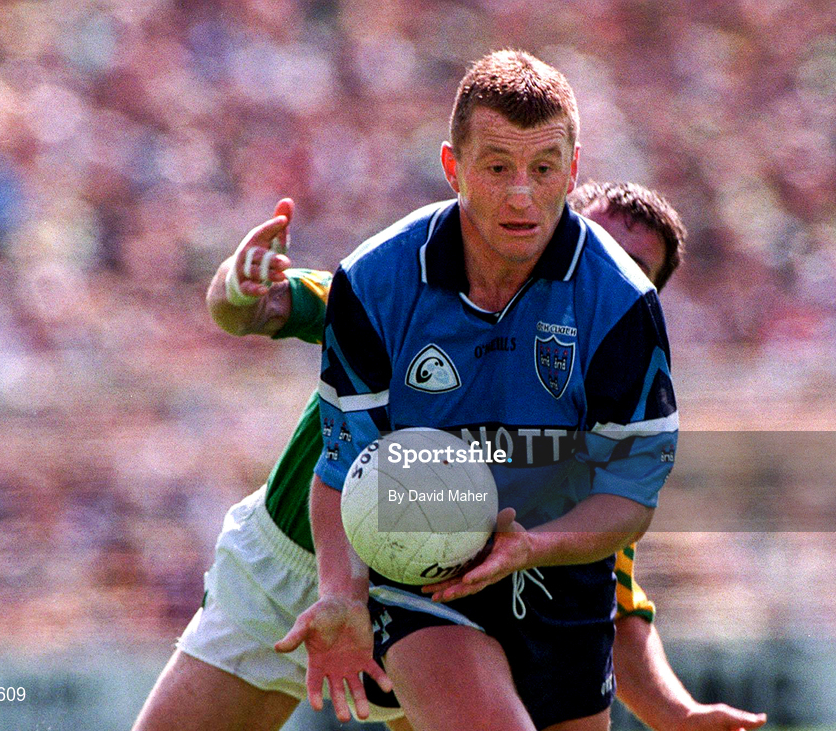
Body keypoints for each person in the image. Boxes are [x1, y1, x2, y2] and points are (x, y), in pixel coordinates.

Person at [130, 183, 766, 731]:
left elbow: (614, 600)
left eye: (627, 265)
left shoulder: (594, 424)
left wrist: (677, 713)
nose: (594, 263)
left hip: (431, 598)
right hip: (293, 566)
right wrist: (239, 289)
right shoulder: (408, 288)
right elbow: (265, 305)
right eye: (588, 238)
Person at [282, 50, 677, 731]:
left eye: (543, 169)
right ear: (453, 167)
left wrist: (536, 547)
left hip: (564, 575)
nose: (522, 194)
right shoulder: (375, 280)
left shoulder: (620, 301)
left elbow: (630, 500)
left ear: (572, 170)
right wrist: (342, 594)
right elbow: (341, 468)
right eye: (497, 167)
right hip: (422, 577)